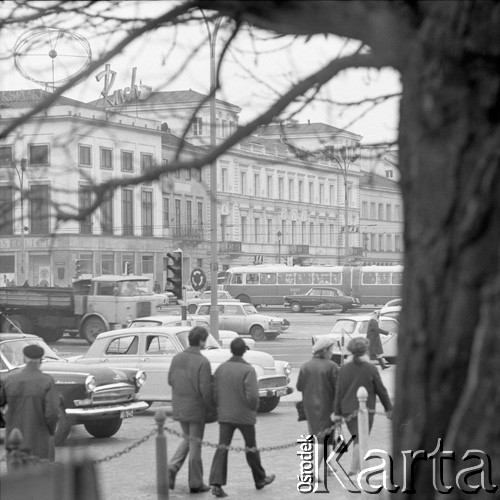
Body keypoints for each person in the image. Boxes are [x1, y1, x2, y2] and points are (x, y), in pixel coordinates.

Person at [209, 337, 275, 498]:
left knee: (222, 447)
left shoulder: (221, 369)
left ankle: (217, 484)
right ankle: (259, 478)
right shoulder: (248, 370)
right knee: (251, 447)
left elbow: (215, 392)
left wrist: (221, 406)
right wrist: (254, 408)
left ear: (231, 350)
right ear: (244, 351)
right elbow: (252, 396)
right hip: (244, 415)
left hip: (225, 414)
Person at [333, 337, 393, 475]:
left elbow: (338, 392)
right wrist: (389, 408)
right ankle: (354, 469)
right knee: (361, 438)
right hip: (366, 411)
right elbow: (381, 390)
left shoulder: (344, 369)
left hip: (347, 410)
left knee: (357, 437)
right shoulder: (370, 368)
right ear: (366, 351)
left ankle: (358, 467)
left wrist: (337, 412)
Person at [167, 326, 215, 493]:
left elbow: (170, 380)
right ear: (201, 341)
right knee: (195, 444)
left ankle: (172, 468)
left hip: (179, 406)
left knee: (188, 439)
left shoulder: (177, 358)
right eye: (205, 340)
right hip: (196, 408)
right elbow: (206, 390)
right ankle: (195, 483)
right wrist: (211, 408)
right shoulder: (203, 362)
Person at [0, 344, 60, 464]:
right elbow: (52, 412)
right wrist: (50, 432)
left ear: (24, 359)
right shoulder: (47, 381)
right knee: (40, 477)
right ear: (40, 361)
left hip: (15, 439)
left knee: (17, 478)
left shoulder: (10, 380)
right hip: (39, 438)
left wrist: (6, 420)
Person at [296, 336, 339, 476]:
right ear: (325, 350)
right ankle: (314, 471)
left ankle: (330, 465)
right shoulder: (332, 366)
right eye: (331, 349)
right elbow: (338, 389)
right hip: (328, 407)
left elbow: (299, 386)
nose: (333, 352)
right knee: (324, 439)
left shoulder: (305, 366)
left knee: (321, 437)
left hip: (309, 408)